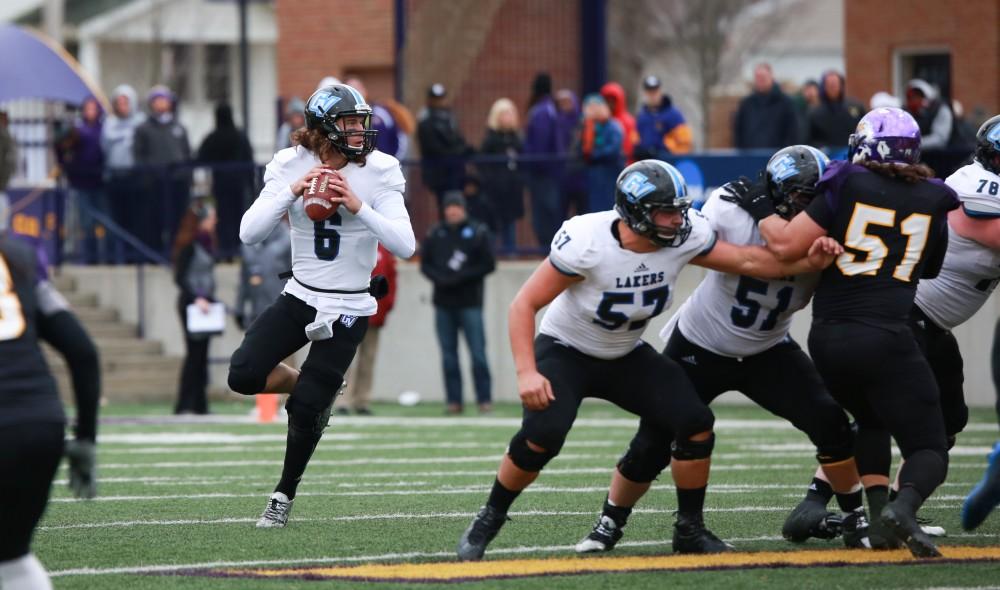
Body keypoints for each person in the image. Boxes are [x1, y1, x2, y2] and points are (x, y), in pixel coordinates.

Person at [455, 159, 843, 561]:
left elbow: (749, 262)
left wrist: (808, 263)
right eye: (667, 211)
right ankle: (490, 516)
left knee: (695, 423)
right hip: (567, 349)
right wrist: (526, 372)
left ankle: (689, 530)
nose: (678, 220)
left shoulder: (686, 236)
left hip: (625, 353)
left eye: (680, 209)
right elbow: (524, 304)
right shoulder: (587, 241)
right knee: (543, 436)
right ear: (635, 211)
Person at [726, 107, 959, 558]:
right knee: (929, 444)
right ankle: (904, 507)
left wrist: (758, 203)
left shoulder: (845, 180)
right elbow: (928, 268)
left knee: (869, 421)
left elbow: (785, 243)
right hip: (887, 335)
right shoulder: (935, 198)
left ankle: (878, 526)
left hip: (829, 339)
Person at [653, 145, 867, 549]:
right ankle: (612, 523)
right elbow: (697, 251)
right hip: (702, 340)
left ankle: (856, 521)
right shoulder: (729, 210)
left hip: (769, 346)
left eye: (819, 200)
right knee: (655, 438)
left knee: (831, 423)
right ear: (779, 193)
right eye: (806, 199)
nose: (813, 208)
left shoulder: (834, 224)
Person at [227, 83, 415, 528]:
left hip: (350, 304)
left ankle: (283, 494)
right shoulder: (289, 163)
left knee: (306, 409)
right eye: (349, 123)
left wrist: (359, 205)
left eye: (360, 122)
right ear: (324, 128)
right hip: (301, 294)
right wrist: (291, 191)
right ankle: (313, 385)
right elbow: (248, 233)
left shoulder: (380, 170)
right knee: (243, 374)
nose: (360, 131)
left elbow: (405, 244)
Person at [0, 197, 101, 589]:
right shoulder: (21, 259)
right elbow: (84, 352)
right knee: (12, 558)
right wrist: (87, 439)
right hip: (38, 425)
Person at [420, 192, 496, 414]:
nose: (452, 211)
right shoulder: (436, 233)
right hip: (443, 303)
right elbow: (425, 265)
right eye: (449, 207)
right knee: (448, 356)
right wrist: (440, 278)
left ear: (463, 209)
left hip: (470, 302)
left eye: (456, 207)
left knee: (478, 354)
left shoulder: (477, 232)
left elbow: (488, 264)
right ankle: (454, 401)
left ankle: (484, 399)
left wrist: (461, 277)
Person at [336, 243, 397, 415]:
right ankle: (343, 400)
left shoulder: (384, 250)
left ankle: (362, 400)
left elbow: (391, 280)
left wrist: (387, 306)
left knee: (367, 360)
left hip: (374, 315)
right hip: (351, 313)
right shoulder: (351, 244)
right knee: (346, 359)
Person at [172, 199, 219, 415]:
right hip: (191, 305)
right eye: (211, 218)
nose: (214, 221)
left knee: (202, 355)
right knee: (193, 355)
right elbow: (180, 278)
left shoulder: (207, 243)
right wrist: (196, 298)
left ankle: (200, 404)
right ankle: (184, 404)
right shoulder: (190, 246)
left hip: (205, 306)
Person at [134, 85, 191, 255]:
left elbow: (186, 153)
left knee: (177, 218)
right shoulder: (144, 129)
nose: (161, 104)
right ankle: (155, 253)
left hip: (177, 181)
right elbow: (139, 155)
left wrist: (185, 174)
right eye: (157, 100)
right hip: (154, 182)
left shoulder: (179, 127)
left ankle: (176, 253)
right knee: (154, 219)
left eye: (164, 100)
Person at [197, 103, 255, 260]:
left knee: (223, 218)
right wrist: (252, 185)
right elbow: (249, 160)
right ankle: (237, 250)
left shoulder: (213, 137)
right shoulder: (239, 136)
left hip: (221, 184)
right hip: (238, 185)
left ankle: (225, 250)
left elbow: (200, 157)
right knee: (238, 217)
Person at [55, 96, 108, 264]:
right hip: (79, 182)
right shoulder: (76, 130)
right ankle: (88, 257)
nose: (90, 112)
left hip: (100, 181)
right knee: (85, 223)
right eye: (87, 108)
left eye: (93, 108)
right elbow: (61, 149)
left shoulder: (104, 129)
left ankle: (103, 257)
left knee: (103, 223)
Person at [100, 85, 145, 262]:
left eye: (125, 101)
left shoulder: (140, 122)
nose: (122, 105)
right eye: (119, 102)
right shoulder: (109, 124)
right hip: (114, 177)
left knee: (135, 219)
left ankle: (134, 256)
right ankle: (116, 257)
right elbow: (104, 147)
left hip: (134, 177)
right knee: (116, 221)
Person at [523, 73, 565, 251]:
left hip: (543, 173)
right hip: (549, 171)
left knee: (544, 215)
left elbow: (540, 144)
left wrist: (534, 165)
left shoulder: (541, 111)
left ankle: (547, 250)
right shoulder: (550, 109)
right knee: (548, 213)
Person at [478, 98, 524, 253]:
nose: (508, 117)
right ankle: (491, 253)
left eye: (511, 113)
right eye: (504, 114)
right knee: (494, 222)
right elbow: (483, 164)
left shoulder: (516, 138)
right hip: (495, 190)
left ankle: (510, 251)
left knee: (510, 222)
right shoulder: (491, 139)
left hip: (512, 188)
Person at [417, 83, 470, 211]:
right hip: (439, 172)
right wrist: (458, 152)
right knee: (445, 206)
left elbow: (458, 138)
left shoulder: (449, 117)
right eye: (436, 98)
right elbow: (433, 147)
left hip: (455, 170)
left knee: (458, 205)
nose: (439, 102)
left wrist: (465, 150)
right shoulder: (426, 120)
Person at [235, 216, 291, 331]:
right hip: (256, 311)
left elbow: (295, 272)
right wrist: (239, 308)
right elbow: (244, 277)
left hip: (281, 309)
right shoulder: (248, 241)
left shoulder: (288, 238)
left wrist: (279, 276)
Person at [734, 63, 799, 149]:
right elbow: (739, 132)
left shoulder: (786, 103)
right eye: (758, 77)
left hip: (777, 156)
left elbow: (792, 133)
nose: (760, 80)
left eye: (763, 77)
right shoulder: (746, 104)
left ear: (771, 77)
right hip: (750, 157)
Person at [579, 95, 624, 214]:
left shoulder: (613, 126)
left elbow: (614, 149)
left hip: (610, 173)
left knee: (609, 207)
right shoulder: (589, 126)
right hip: (594, 176)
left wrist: (594, 154)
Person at [634, 75, 693, 160]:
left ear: (660, 91)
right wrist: (639, 149)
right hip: (647, 163)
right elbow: (635, 139)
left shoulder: (674, 115)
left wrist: (666, 149)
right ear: (645, 93)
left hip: (668, 162)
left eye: (655, 91)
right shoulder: (642, 116)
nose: (652, 95)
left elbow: (685, 142)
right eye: (649, 92)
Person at [806, 70, 865, 150]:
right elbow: (809, 138)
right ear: (824, 87)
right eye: (830, 85)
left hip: (852, 153)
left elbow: (864, 129)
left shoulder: (856, 106)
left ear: (841, 85)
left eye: (835, 84)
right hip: (828, 155)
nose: (833, 88)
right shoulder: (814, 113)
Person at [904, 79, 954, 151]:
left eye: (917, 96)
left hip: (953, 156)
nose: (913, 101)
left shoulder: (941, 109)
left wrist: (913, 143)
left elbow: (940, 140)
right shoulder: (907, 113)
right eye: (909, 98)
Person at [600, 81, 638, 162]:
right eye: (607, 101)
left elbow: (633, 144)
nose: (610, 104)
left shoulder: (629, 121)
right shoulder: (599, 120)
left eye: (613, 101)